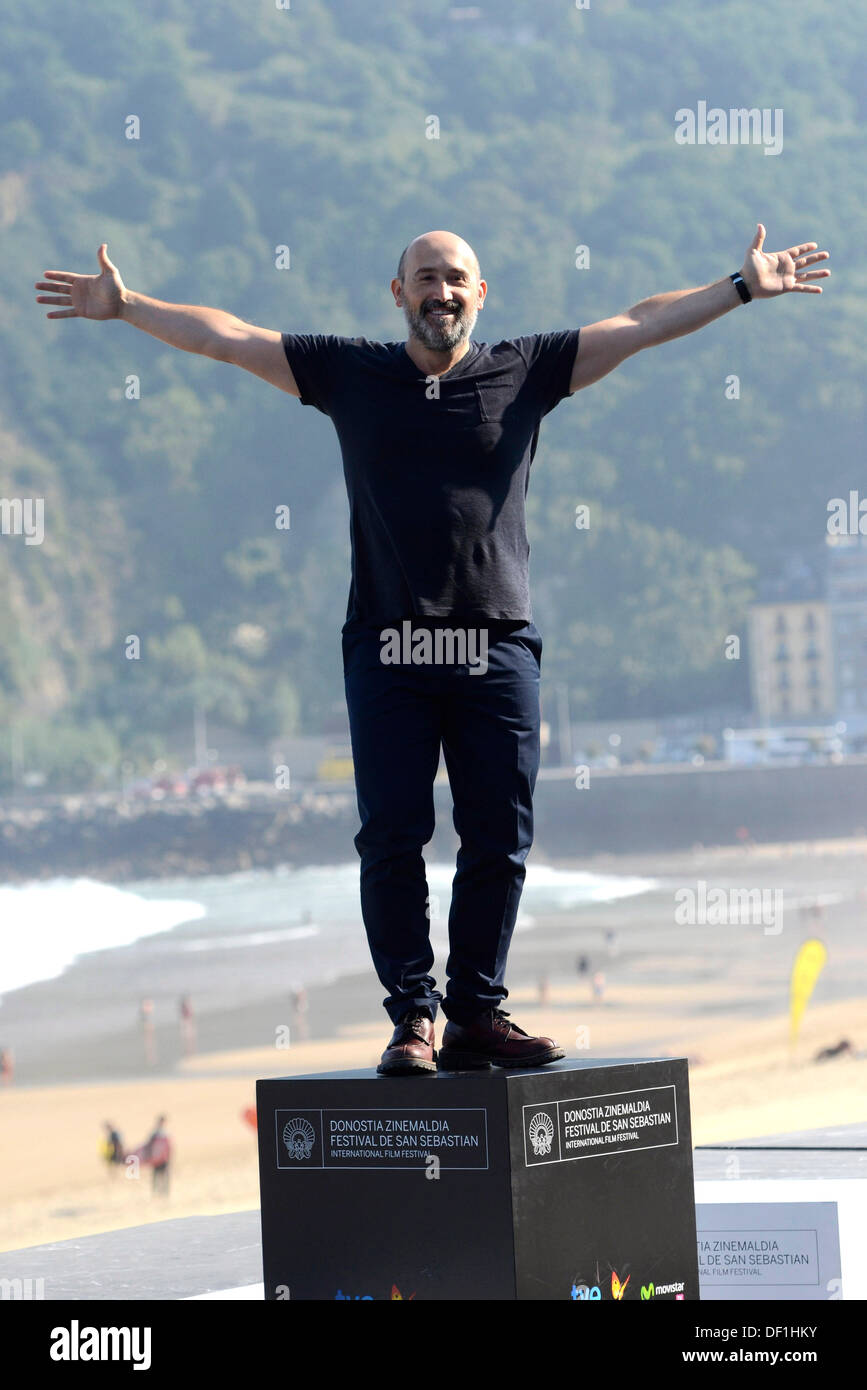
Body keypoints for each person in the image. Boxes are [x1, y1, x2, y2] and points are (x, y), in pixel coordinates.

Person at [34, 225, 830, 1075]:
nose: (439, 292)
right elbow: (229, 339)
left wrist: (739, 288)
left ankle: (476, 1015)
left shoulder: (522, 370)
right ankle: (412, 1019)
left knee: (499, 837)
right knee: (392, 837)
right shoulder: (350, 375)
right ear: (397, 292)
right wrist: (127, 308)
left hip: (497, 645)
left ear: (479, 294)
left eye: (455, 279)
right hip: (388, 644)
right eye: (424, 279)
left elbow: (638, 323)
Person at [142, 1114, 172, 1195]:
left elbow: (169, 1147)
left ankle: (164, 1193)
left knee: (164, 1177)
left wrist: (168, 1157)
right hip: (156, 1158)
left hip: (164, 1159)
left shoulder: (166, 1133)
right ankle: (155, 1193)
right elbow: (148, 1145)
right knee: (156, 1177)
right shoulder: (154, 1133)